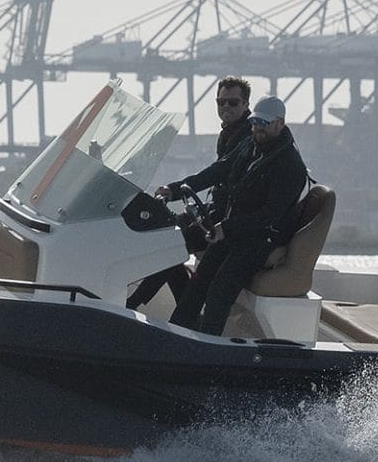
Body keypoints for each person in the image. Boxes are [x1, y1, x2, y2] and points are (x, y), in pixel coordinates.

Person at [162, 95, 308, 336]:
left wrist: (227, 228)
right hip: (234, 232)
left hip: (260, 240)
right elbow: (218, 170)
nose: (257, 127)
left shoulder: (290, 165)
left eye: (264, 123)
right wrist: (175, 189)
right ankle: (175, 336)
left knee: (219, 292)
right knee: (199, 282)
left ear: (279, 124)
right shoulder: (250, 145)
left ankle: (208, 349)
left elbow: (269, 216)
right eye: (255, 122)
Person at [124, 77, 253, 310]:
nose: (225, 107)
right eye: (220, 102)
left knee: (172, 246)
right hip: (216, 209)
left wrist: (174, 189)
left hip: (229, 217)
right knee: (169, 240)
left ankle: (134, 303)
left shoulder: (248, 136)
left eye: (233, 102)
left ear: (245, 105)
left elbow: (216, 172)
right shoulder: (230, 132)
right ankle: (180, 307)